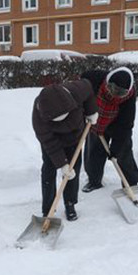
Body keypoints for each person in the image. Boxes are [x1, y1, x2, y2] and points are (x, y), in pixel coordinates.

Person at [31, 79, 98, 221]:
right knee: (49, 170)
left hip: (75, 138)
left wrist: (91, 111)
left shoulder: (77, 90)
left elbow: (89, 89)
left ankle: (70, 203)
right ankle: (48, 209)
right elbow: (48, 141)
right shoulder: (39, 117)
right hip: (53, 142)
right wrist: (62, 163)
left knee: (73, 171)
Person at [80, 67, 138, 192]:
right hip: (96, 117)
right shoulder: (93, 79)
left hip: (117, 122)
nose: (114, 94)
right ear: (108, 82)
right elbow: (81, 90)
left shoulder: (129, 96)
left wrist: (116, 148)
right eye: (112, 89)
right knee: (93, 151)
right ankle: (94, 180)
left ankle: (131, 183)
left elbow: (126, 124)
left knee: (124, 151)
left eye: (120, 92)